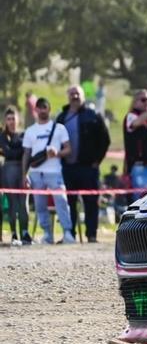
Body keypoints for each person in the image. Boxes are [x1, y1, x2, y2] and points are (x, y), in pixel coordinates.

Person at [57, 85, 110, 243]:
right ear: (68, 96)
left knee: (91, 202)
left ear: (83, 96)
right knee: (69, 203)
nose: (75, 96)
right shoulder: (62, 117)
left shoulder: (93, 115)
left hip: (88, 168)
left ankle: (91, 235)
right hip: (68, 168)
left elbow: (105, 140)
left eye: (77, 94)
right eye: (72, 93)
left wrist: (97, 161)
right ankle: (70, 235)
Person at [22, 98, 73, 244]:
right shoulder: (30, 131)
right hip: (36, 173)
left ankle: (67, 232)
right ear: (35, 110)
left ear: (49, 109)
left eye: (44, 107)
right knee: (39, 205)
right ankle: (47, 234)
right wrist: (24, 174)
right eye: (39, 108)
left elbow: (68, 149)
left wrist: (57, 153)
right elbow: (26, 154)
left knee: (61, 201)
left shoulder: (59, 128)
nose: (42, 110)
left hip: (54, 172)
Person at [1, 108, 32, 244]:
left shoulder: (24, 134)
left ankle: (25, 232)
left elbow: (28, 152)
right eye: (8, 119)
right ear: (5, 121)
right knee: (12, 202)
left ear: (18, 119)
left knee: (23, 203)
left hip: (23, 170)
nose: (11, 121)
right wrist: (21, 151)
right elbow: (9, 153)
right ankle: (14, 234)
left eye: (13, 118)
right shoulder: (2, 136)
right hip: (8, 170)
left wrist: (20, 152)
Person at [123, 89, 147, 198]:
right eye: (143, 100)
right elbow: (135, 123)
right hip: (140, 166)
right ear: (135, 102)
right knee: (142, 199)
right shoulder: (131, 116)